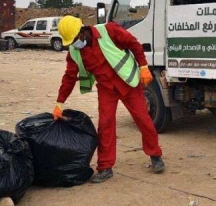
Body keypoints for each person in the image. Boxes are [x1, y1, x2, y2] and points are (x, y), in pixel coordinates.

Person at [52, 15, 164, 183]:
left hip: (128, 82)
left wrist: (143, 66)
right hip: (106, 89)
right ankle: (105, 167)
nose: (74, 44)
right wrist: (59, 103)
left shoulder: (109, 31)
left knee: (143, 119)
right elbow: (69, 77)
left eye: (74, 39)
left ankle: (155, 155)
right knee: (105, 124)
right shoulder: (75, 52)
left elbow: (134, 44)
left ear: (82, 32)